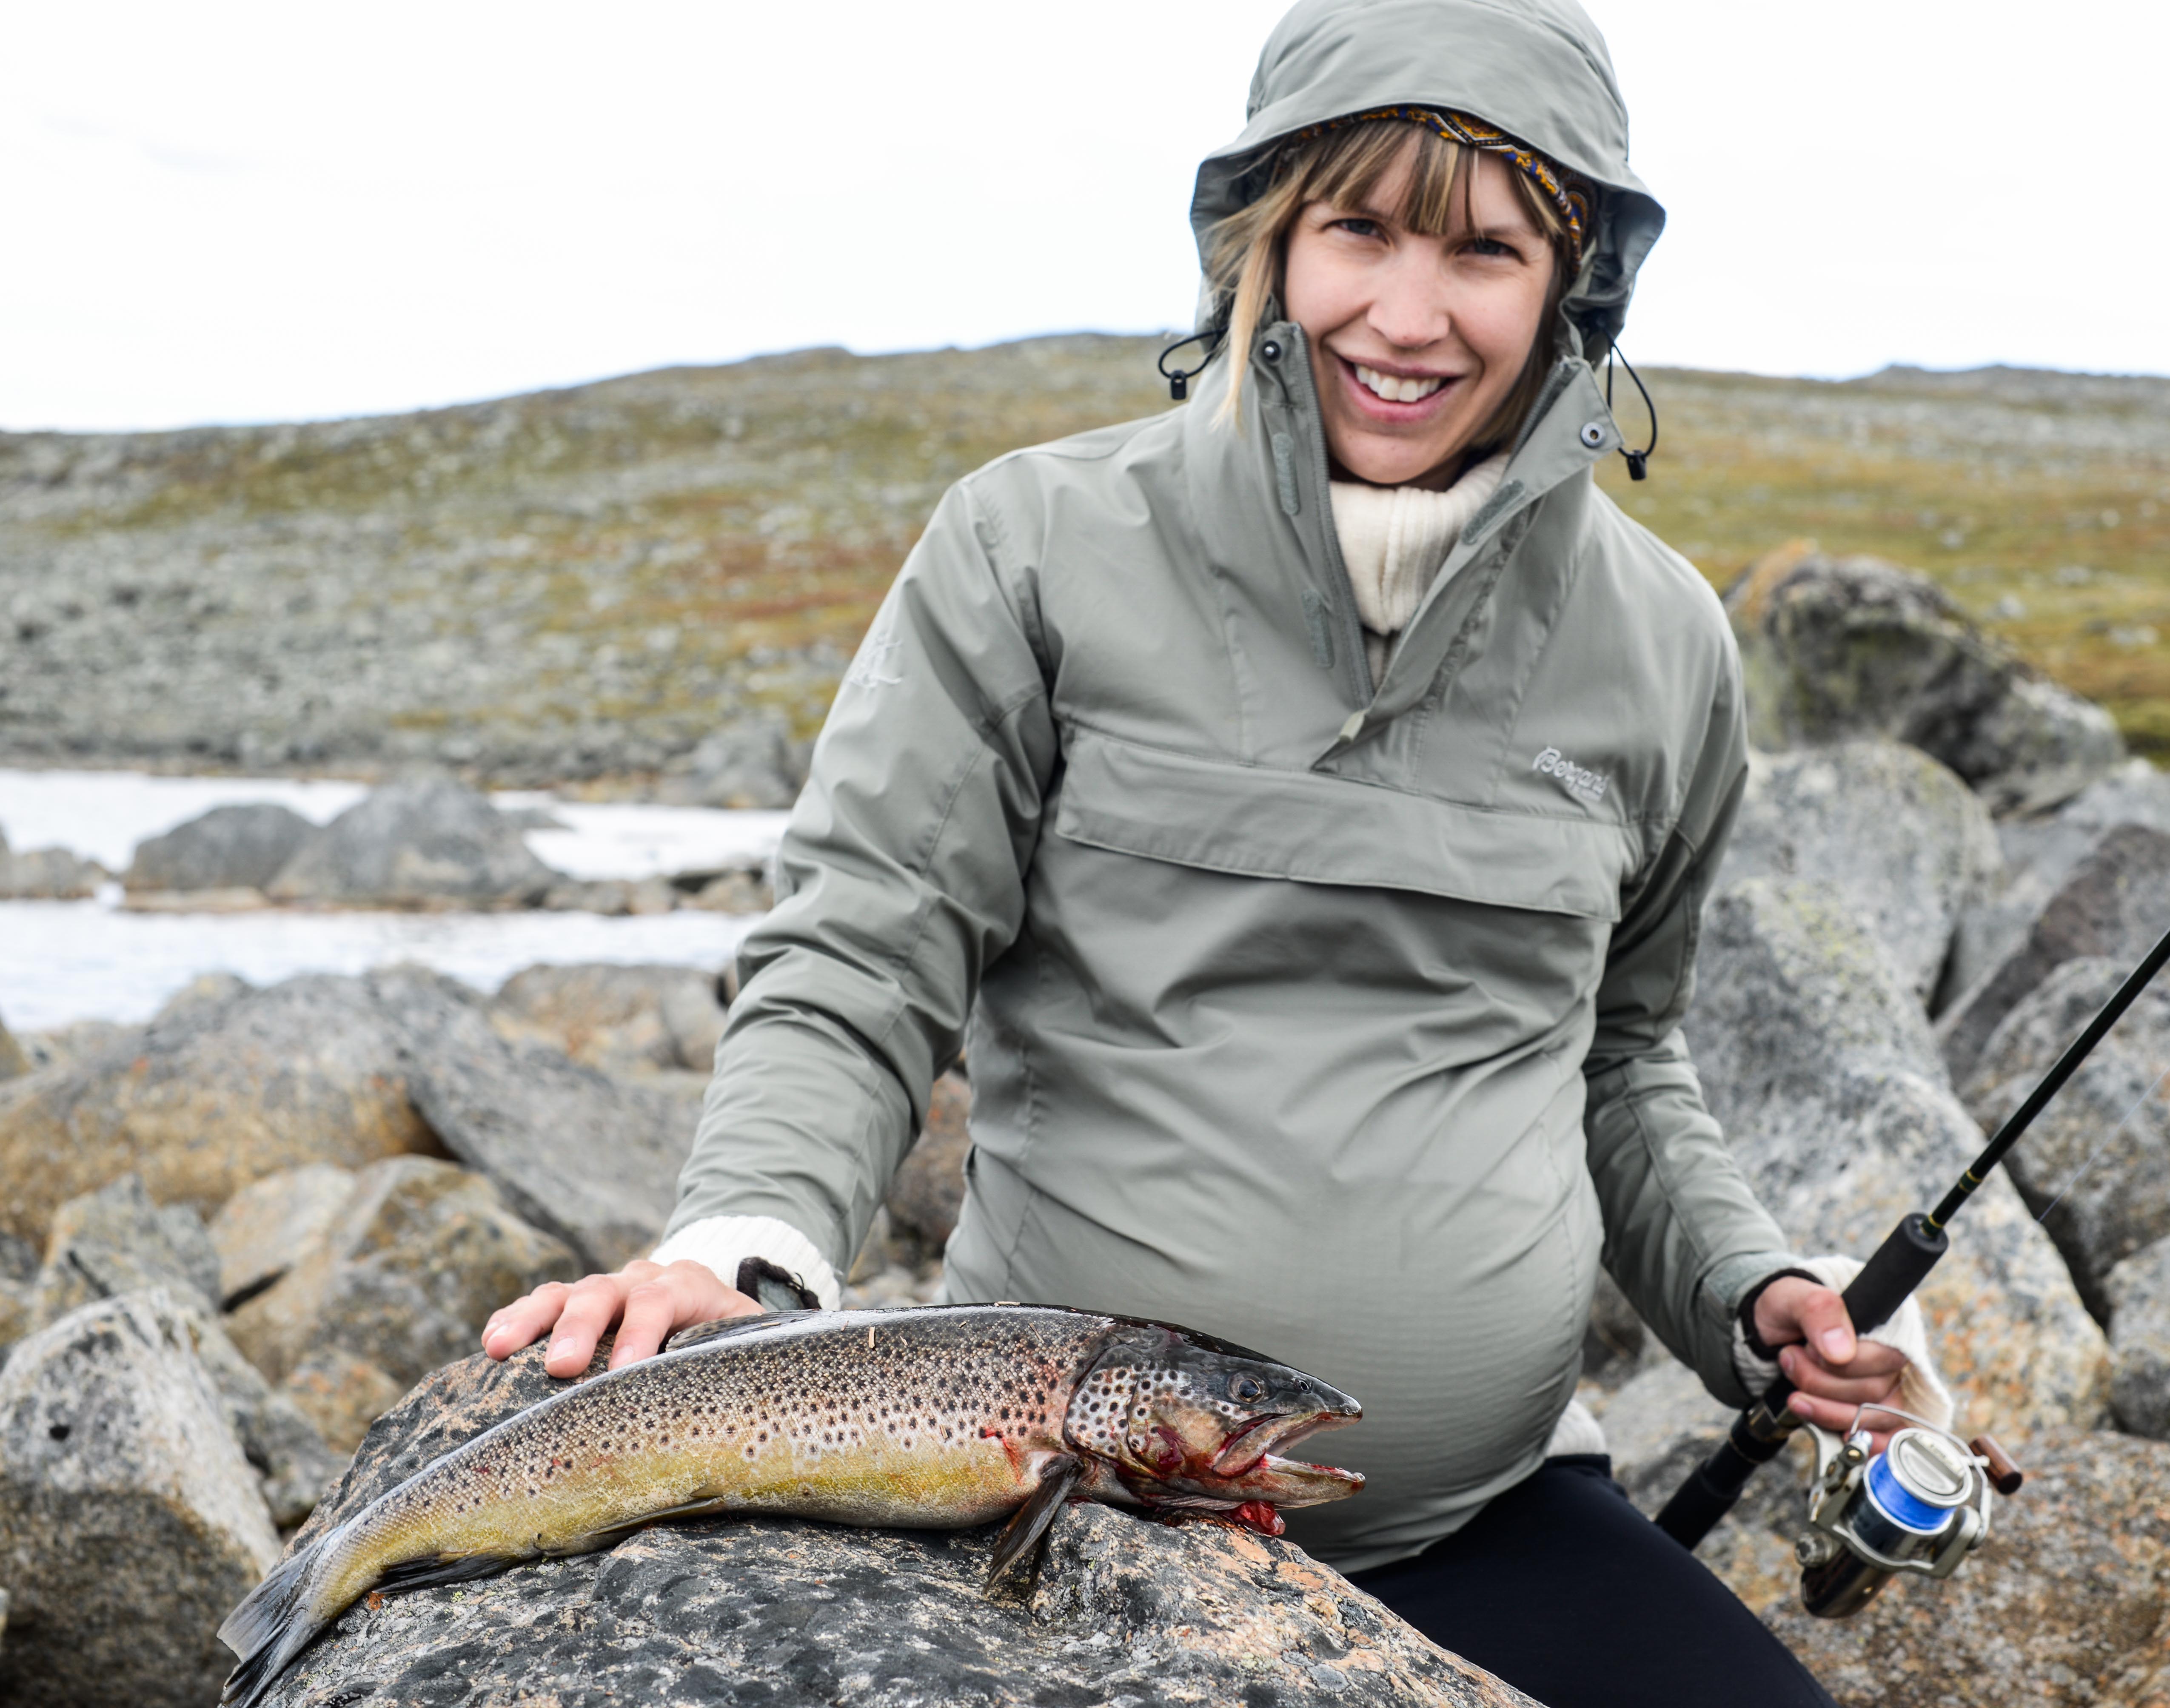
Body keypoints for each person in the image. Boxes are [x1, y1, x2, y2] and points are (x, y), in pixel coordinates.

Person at [483, 2, 1938, 1701]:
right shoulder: (1029, 546)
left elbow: (1614, 1048)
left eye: (1482, 247)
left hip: (1487, 1512)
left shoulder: (1665, 641)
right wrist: (741, 1247)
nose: (1407, 314)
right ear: (1262, 238)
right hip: (1048, 1501)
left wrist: (1745, 1287)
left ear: (1574, 281)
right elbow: (861, 959)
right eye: (1359, 229)